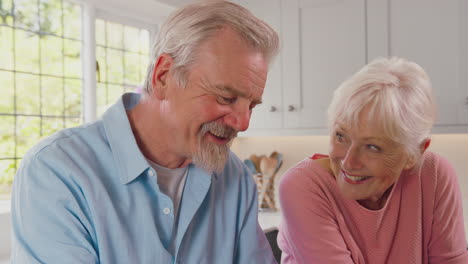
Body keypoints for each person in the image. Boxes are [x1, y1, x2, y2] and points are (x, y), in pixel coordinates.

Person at [11, 1, 279, 263]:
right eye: (225, 97)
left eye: (252, 105)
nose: (243, 123)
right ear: (163, 76)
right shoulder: (57, 172)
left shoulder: (235, 178)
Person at [277, 57, 468, 263]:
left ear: (415, 153)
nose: (348, 162)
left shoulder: (434, 174)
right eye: (341, 136)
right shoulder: (303, 186)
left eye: (372, 147)